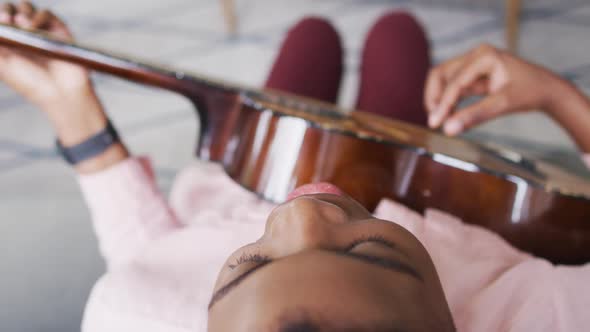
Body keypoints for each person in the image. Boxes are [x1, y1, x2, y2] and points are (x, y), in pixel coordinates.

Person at [2, 1, 590, 331]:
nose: (300, 210)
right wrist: (564, 101)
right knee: (398, 32)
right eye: (374, 253)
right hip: (416, 185)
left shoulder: (129, 317)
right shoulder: (548, 319)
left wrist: (67, 102)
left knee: (310, 36)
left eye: (246, 267)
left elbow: (146, 261)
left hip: (246, 172)